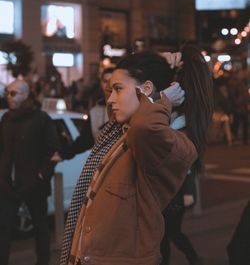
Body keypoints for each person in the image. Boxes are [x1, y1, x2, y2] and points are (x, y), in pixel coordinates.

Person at [58, 49, 203, 265]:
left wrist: (160, 101)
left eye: (118, 89)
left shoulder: (164, 140)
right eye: (109, 91)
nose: (110, 100)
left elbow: (146, 128)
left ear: (146, 89)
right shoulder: (118, 135)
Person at [160, 45, 213, 265]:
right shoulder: (191, 118)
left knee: (167, 234)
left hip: (169, 188)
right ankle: (192, 258)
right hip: (170, 187)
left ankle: (193, 258)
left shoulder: (179, 122)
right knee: (166, 234)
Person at [0, 79, 60, 265]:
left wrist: (42, 175)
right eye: (7, 93)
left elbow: (53, 150)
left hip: (34, 184)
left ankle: (43, 262)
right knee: (4, 228)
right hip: (8, 184)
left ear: (25, 95)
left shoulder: (40, 119)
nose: (9, 97)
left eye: (14, 93)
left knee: (40, 227)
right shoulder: (6, 119)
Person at [89, 67, 114, 139]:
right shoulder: (94, 111)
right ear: (101, 83)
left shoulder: (126, 107)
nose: (108, 86)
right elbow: (86, 139)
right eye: (105, 81)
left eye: (111, 81)